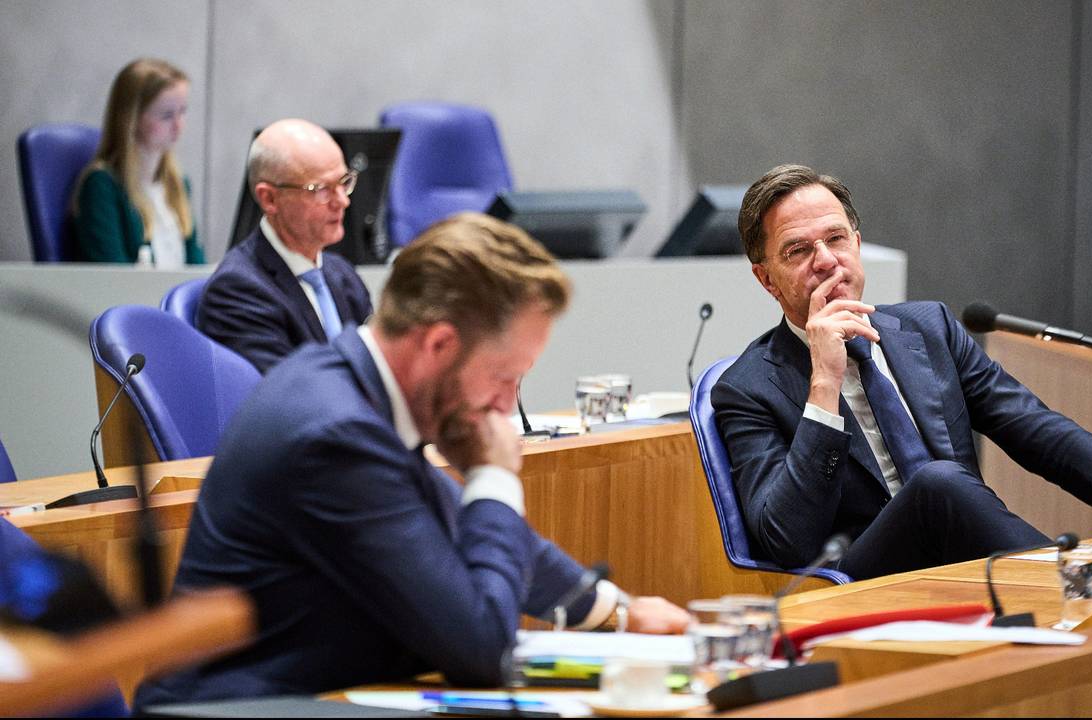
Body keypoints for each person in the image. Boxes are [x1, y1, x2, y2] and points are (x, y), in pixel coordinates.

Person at [133, 213, 688, 708]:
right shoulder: (335, 433)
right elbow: (481, 648)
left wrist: (621, 613)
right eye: (504, 377)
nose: (506, 405)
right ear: (439, 345)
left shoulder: (355, 393)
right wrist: (493, 475)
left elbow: (458, 523)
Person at [712, 164, 1092, 580]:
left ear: (856, 244)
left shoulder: (928, 328)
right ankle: (1074, 585)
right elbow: (786, 541)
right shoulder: (747, 388)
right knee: (938, 482)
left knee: (944, 483)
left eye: (836, 239)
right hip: (863, 584)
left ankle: (1077, 584)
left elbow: (1036, 430)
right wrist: (824, 384)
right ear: (766, 279)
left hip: (973, 567)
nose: (826, 260)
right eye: (798, 251)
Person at [196, 118, 372, 373]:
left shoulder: (343, 274)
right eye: (321, 189)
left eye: (344, 182)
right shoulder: (237, 290)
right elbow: (287, 390)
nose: (342, 201)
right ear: (269, 199)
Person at [72, 58, 204, 267]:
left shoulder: (178, 184)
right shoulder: (102, 186)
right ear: (131, 119)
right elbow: (113, 273)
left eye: (182, 112)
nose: (179, 126)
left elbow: (195, 265)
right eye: (167, 115)